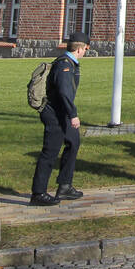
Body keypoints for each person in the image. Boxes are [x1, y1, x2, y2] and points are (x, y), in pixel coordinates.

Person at [30, 35, 88, 206]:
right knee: (50, 151)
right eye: (85, 49)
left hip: (61, 111)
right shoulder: (64, 65)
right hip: (54, 112)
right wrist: (73, 114)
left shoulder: (67, 63)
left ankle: (64, 185)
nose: (85, 52)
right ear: (79, 49)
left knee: (74, 142)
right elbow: (64, 92)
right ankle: (38, 193)